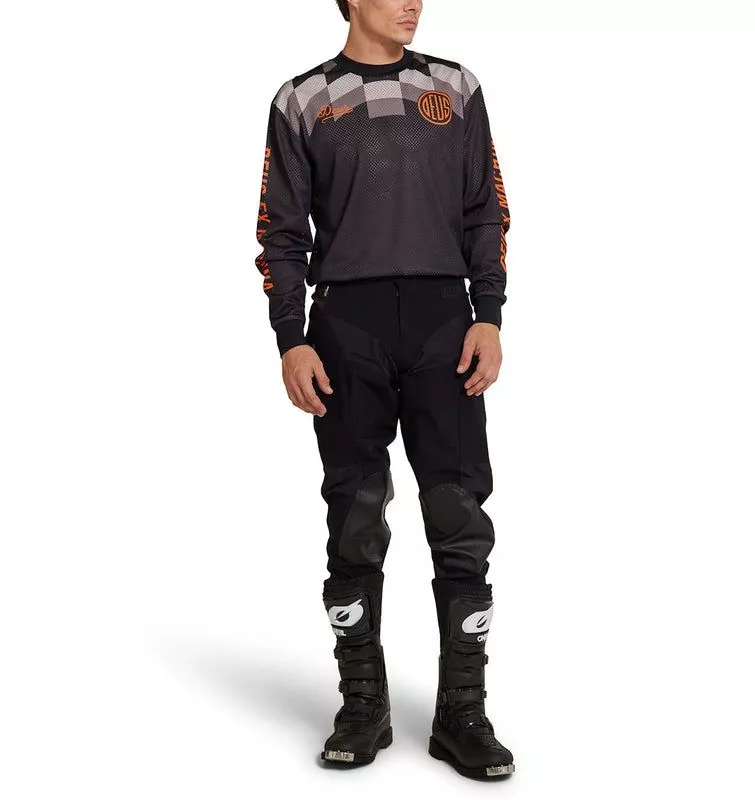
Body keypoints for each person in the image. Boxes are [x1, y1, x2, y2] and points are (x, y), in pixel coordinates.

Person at [254, 0, 514, 779]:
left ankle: (463, 713)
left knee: (459, 514)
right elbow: (280, 233)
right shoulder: (302, 99)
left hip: (444, 327)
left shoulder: (455, 88)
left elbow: (486, 212)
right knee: (355, 516)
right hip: (347, 332)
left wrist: (489, 315)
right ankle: (362, 705)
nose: (412, 3)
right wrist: (292, 338)